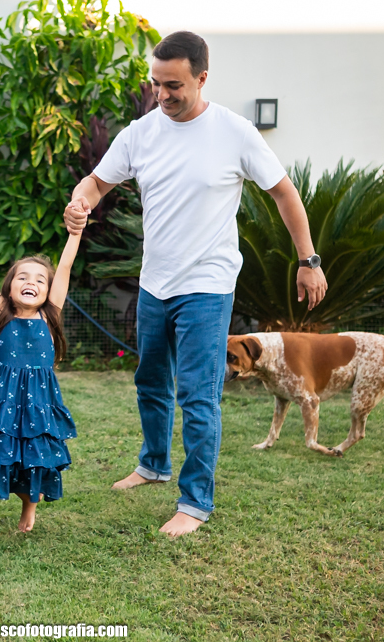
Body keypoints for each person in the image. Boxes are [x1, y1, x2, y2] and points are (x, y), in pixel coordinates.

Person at [64, 31, 327, 538]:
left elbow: (284, 193)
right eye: (156, 83)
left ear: (202, 78)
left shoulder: (235, 133)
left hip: (207, 284)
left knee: (198, 395)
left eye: (174, 85)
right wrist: (81, 201)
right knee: (150, 381)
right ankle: (153, 464)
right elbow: (97, 182)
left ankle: (195, 502)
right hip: (154, 282)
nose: (162, 94)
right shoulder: (141, 133)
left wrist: (308, 260)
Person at [0, 220, 82, 532]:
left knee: (36, 454)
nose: (31, 282)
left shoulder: (49, 314)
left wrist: (76, 233)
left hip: (39, 401)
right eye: (22, 277)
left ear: (48, 291)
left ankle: (30, 506)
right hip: (6, 400)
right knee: (6, 452)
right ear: (10, 287)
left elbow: (65, 267)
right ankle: (17, 493)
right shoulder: (1, 313)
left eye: (40, 280)